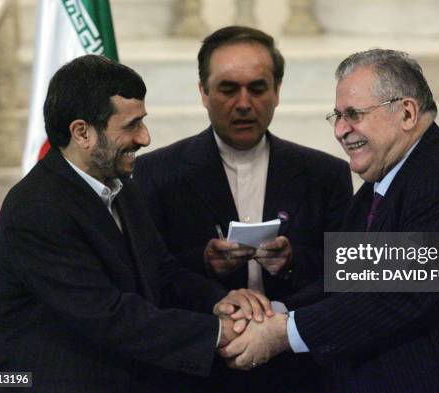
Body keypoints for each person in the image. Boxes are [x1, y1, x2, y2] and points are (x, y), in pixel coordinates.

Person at [219, 49, 439, 392]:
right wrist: (271, 312)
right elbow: (346, 277)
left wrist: (284, 332)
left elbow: (399, 295)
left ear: (406, 113)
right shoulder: (384, 184)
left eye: (354, 114)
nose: (341, 130)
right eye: (337, 116)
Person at [0, 54, 272, 393]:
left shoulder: (122, 188)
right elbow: (106, 314)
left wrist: (217, 302)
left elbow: (162, 272)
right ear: (82, 133)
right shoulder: (37, 208)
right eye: (131, 126)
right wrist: (216, 332)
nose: (145, 138)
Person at [134, 26, 353, 393]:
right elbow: (144, 276)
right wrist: (202, 263)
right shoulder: (155, 174)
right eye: (227, 88)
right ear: (203, 92)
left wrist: (293, 262)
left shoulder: (325, 174)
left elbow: (344, 269)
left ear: (277, 91)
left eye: (257, 88)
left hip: (298, 371)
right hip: (195, 371)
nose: (243, 103)